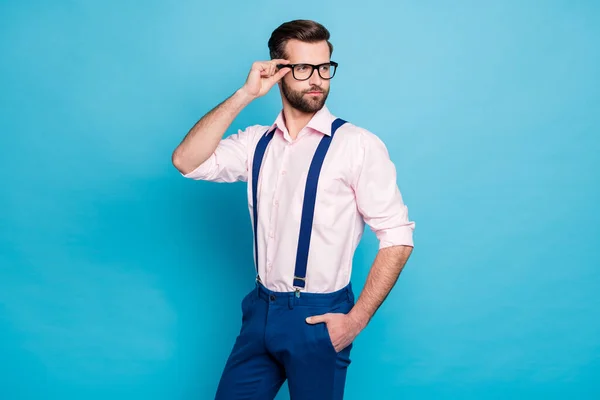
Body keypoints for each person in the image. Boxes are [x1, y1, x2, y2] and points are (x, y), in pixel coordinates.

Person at [172, 19, 415, 400]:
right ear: (279, 71)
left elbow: (398, 237)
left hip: (318, 317)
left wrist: (356, 321)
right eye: (303, 68)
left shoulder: (358, 146)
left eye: (324, 67)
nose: (317, 79)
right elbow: (186, 161)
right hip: (259, 310)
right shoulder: (255, 143)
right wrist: (244, 95)